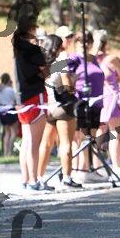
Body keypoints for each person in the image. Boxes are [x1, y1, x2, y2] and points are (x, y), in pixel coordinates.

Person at [37, 34, 81, 190]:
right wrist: (74, 82)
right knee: (66, 143)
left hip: (48, 107)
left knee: (46, 143)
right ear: (57, 47)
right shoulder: (60, 63)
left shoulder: (41, 65)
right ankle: (67, 178)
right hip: (63, 107)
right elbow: (67, 85)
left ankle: (39, 178)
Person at [13, 14, 48, 191]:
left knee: (27, 141)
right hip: (36, 96)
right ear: (31, 29)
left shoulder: (17, 50)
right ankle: (34, 180)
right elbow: (46, 72)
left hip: (21, 98)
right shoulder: (33, 50)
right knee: (35, 142)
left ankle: (26, 179)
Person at [68, 31, 105, 182]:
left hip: (96, 103)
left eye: (87, 41)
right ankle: (79, 170)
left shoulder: (93, 59)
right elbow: (67, 79)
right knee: (81, 137)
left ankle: (90, 168)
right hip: (81, 102)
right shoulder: (74, 58)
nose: (84, 44)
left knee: (92, 137)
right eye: (81, 41)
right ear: (76, 43)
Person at [95, 33, 120, 173]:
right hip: (112, 98)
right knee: (115, 133)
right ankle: (116, 165)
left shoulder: (91, 60)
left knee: (99, 132)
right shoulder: (112, 59)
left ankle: (97, 165)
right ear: (106, 43)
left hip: (98, 98)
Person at [0, 73, 18, 157]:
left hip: (2, 111)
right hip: (11, 110)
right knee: (13, 132)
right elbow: (16, 100)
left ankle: (5, 153)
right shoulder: (10, 89)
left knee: (7, 133)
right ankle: (10, 152)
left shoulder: (0, 90)